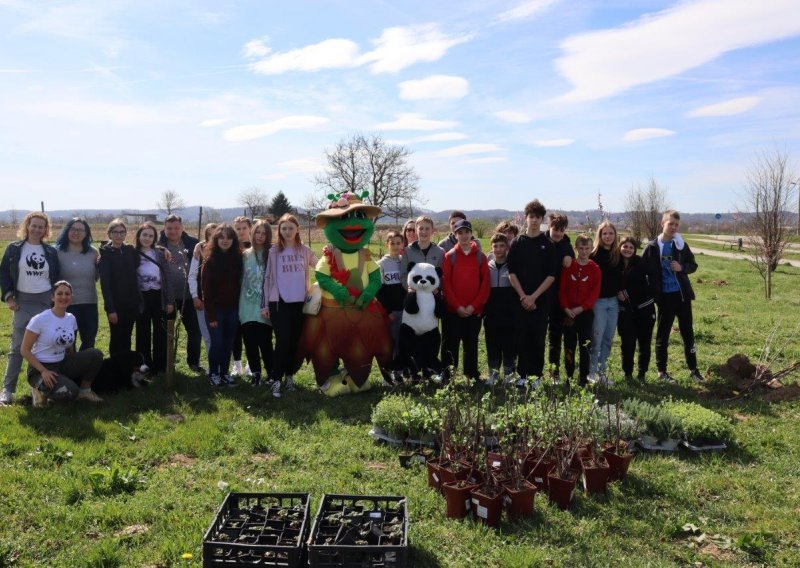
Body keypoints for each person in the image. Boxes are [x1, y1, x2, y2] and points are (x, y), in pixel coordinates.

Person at [1, 212, 61, 405]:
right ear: (27, 226)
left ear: (46, 230)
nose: (36, 229)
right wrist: (9, 297)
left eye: (41, 226)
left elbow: (56, 277)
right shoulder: (14, 249)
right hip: (22, 302)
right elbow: (4, 275)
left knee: (43, 347)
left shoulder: (51, 252)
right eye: (33, 225)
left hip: (44, 303)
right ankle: (7, 390)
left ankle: (38, 387)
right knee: (18, 347)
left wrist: (54, 302)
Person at [642, 210, 703, 384]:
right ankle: (662, 372)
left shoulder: (681, 246)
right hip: (664, 298)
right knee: (663, 334)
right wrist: (651, 290)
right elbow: (642, 270)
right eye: (671, 224)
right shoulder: (653, 247)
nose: (674, 227)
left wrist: (682, 267)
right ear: (663, 223)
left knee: (687, 333)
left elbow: (693, 265)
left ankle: (694, 370)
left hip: (682, 295)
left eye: (676, 224)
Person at [21, 281, 103, 406]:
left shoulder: (71, 318)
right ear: (53, 297)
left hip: (61, 363)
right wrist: (43, 371)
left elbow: (70, 345)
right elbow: (24, 350)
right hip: (40, 368)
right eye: (59, 294)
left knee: (95, 354)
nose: (63, 297)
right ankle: (39, 389)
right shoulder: (40, 319)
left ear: (71, 297)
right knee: (70, 392)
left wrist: (75, 363)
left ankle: (85, 391)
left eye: (67, 294)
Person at [262, 214, 317, 397]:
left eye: (290, 228)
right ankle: (276, 380)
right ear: (279, 231)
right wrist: (265, 304)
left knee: (294, 343)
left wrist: (330, 251)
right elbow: (268, 277)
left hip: (300, 304)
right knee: (283, 342)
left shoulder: (305, 251)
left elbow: (320, 265)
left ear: (297, 229)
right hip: (279, 304)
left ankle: (290, 377)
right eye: (283, 228)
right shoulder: (273, 251)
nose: (287, 232)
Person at [507, 199, 557, 387]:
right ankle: (522, 375)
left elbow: (551, 275)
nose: (534, 220)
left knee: (537, 339)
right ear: (526, 218)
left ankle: (535, 376)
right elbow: (511, 273)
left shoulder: (548, 244)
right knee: (521, 337)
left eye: (538, 217)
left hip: (540, 302)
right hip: (520, 300)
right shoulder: (517, 243)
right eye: (531, 217)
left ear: (542, 219)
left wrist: (534, 297)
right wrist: (523, 296)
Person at [441, 220, 490, 384]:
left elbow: (485, 284)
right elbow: (446, 284)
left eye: (466, 232)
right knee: (451, 345)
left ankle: (471, 375)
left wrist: (473, 306)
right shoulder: (450, 256)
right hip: (454, 311)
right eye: (460, 233)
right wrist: (458, 306)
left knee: (471, 345)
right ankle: (449, 376)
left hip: (473, 311)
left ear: (471, 234)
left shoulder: (480, 256)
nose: (463, 235)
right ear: (455, 235)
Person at [158, 215, 202, 373]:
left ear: (182, 228)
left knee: (195, 332)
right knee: (165, 332)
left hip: (189, 297)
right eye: (169, 228)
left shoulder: (192, 243)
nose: (173, 231)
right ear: (164, 228)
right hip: (167, 297)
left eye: (176, 228)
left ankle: (194, 362)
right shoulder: (159, 245)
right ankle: (166, 364)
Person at [201, 225, 243, 386]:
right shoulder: (209, 260)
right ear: (216, 239)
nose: (225, 241)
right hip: (215, 310)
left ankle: (224, 373)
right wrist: (211, 315)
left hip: (232, 309)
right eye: (222, 237)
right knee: (217, 342)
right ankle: (213, 373)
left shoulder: (238, 259)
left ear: (233, 240)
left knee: (228, 342)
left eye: (229, 237)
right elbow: (206, 290)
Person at [558, 234, 601, 387]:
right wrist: (566, 308)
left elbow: (594, 294)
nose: (583, 252)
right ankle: (569, 376)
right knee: (569, 346)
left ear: (591, 249)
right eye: (581, 248)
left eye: (587, 248)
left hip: (585, 313)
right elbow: (561, 290)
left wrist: (581, 308)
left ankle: (583, 377)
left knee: (585, 346)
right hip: (569, 313)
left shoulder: (595, 269)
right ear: (575, 248)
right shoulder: (569, 267)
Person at [134, 222, 174, 374]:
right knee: (142, 333)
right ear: (139, 236)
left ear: (155, 238)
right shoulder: (132, 252)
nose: (147, 238)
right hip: (141, 298)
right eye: (144, 234)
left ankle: (160, 366)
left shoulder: (160, 253)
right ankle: (144, 365)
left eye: (151, 236)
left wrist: (170, 301)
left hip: (159, 297)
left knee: (160, 332)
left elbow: (168, 277)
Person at [55, 217, 100, 351]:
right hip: (66, 305)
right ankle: (69, 370)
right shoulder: (57, 252)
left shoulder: (93, 252)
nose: (77, 233)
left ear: (86, 233)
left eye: (81, 230)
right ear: (67, 231)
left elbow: (97, 277)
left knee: (89, 341)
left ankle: (85, 370)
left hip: (89, 304)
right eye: (73, 229)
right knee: (68, 343)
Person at [99, 218, 140, 357]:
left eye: (122, 232)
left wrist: (163, 249)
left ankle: (126, 370)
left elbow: (148, 248)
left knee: (127, 337)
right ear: (109, 234)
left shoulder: (129, 251)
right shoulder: (105, 254)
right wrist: (110, 309)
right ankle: (115, 369)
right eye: (115, 232)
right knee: (117, 338)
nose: (119, 235)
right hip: (116, 306)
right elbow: (105, 285)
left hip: (132, 304)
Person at [239, 220, 273, 387]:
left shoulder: (272, 254)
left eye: (264, 233)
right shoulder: (245, 255)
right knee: (250, 343)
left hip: (264, 307)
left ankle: (272, 374)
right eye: (257, 232)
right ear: (252, 233)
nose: (260, 236)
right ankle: (256, 374)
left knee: (265, 342)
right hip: (246, 306)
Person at [617, 237, 655, 382]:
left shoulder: (641, 264)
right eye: (624, 246)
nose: (627, 249)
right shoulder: (615, 264)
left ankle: (642, 373)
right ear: (620, 248)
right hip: (626, 311)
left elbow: (646, 284)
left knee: (644, 343)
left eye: (631, 247)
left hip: (644, 309)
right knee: (627, 343)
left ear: (635, 250)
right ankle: (627, 373)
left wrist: (627, 293)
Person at [589, 220, 622, 386]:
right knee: (596, 339)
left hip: (613, 302)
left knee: (608, 339)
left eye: (611, 233)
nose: (608, 236)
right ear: (600, 235)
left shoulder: (617, 254)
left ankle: (602, 373)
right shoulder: (593, 255)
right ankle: (591, 373)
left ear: (615, 235)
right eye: (604, 233)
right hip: (598, 302)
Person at [484, 233, 517, 385]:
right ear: (491, 247)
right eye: (495, 246)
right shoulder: (486, 265)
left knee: (509, 344)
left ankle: (509, 375)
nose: (498, 249)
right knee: (492, 343)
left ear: (507, 247)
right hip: (491, 313)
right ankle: (493, 374)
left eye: (502, 246)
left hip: (509, 313)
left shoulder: (512, 266)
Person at [546, 213, 575, 380]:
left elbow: (571, 258)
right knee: (547, 340)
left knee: (557, 337)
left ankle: (560, 373)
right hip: (542, 297)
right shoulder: (541, 241)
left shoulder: (566, 244)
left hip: (561, 299)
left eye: (561, 230)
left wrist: (569, 256)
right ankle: (552, 373)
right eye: (555, 229)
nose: (558, 233)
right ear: (549, 226)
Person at [376, 230, 406, 383]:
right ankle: (387, 375)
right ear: (386, 244)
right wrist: (387, 311)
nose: (395, 246)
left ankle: (399, 372)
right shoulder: (381, 264)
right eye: (392, 243)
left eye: (398, 243)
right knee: (391, 343)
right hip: (392, 311)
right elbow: (380, 292)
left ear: (403, 244)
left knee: (402, 342)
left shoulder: (404, 261)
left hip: (406, 310)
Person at [188, 223, 218, 355]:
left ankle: (223, 366)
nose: (212, 237)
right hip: (202, 300)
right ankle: (212, 366)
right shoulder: (199, 252)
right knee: (206, 334)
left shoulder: (226, 250)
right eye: (209, 234)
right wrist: (195, 297)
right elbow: (192, 276)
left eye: (215, 234)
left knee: (221, 335)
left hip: (222, 302)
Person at [231, 216, 253, 378]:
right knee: (235, 332)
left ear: (250, 229)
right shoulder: (230, 246)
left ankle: (252, 364)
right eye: (237, 229)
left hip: (252, 296)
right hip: (234, 295)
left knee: (251, 331)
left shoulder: (258, 246)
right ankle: (237, 364)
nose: (241, 231)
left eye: (244, 228)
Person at [400, 216, 445, 284]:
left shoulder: (440, 252)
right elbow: (403, 274)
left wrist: (437, 290)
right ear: (416, 230)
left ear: (432, 230)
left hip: (433, 293)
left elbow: (442, 275)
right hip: (413, 293)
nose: (424, 231)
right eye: (421, 228)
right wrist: (408, 287)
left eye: (427, 229)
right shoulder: (407, 251)